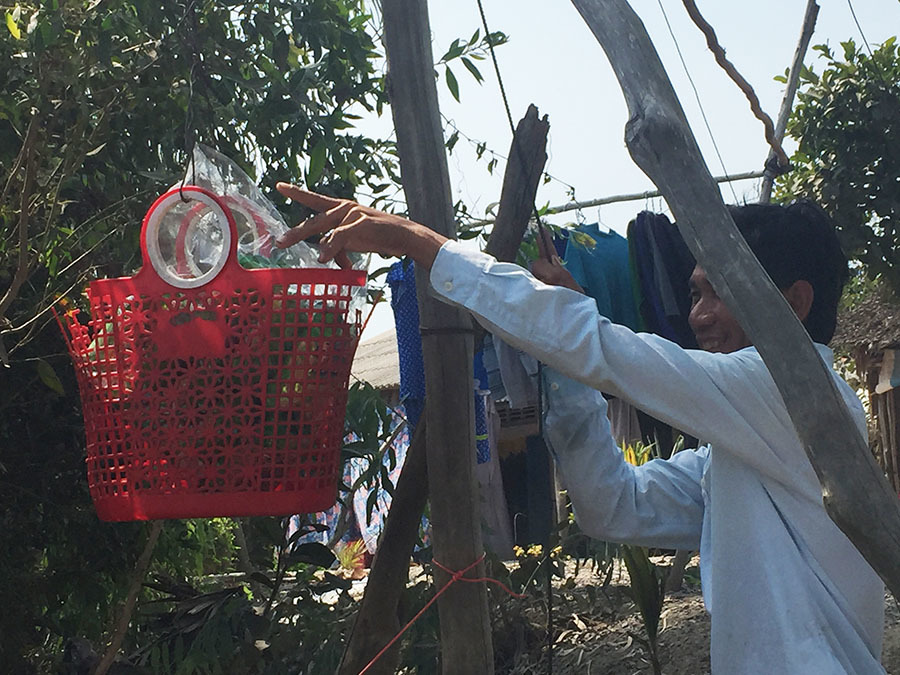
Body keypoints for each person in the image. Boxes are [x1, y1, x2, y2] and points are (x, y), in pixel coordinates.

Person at [274, 184, 885, 674]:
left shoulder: (797, 395)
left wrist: (421, 243)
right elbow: (614, 507)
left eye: (717, 295)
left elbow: (605, 350)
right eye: (694, 293)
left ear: (795, 303)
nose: (697, 316)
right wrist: (564, 375)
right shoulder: (747, 452)